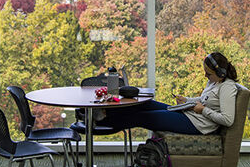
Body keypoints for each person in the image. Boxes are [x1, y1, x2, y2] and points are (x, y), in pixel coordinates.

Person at [98, 52, 238, 135]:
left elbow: (227, 120)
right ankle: (104, 112)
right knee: (145, 104)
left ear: (221, 73)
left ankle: (102, 121)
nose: (205, 75)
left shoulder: (227, 87)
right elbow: (204, 99)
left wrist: (203, 110)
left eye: (208, 73)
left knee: (143, 117)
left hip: (197, 125)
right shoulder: (214, 81)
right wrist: (187, 100)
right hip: (190, 114)